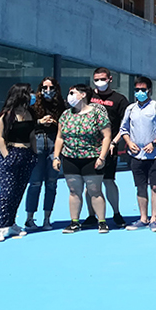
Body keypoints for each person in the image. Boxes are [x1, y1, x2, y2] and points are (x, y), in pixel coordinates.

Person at [53, 84, 112, 235]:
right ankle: (74, 222)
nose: (70, 96)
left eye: (73, 93)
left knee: (94, 190)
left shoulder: (97, 114)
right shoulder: (66, 115)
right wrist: (56, 156)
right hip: (70, 157)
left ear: (83, 95)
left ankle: (102, 221)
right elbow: (60, 137)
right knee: (74, 191)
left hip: (91, 157)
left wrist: (102, 157)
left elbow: (106, 136)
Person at [119, 76, 156, 232]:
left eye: (143, 89)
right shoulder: (130, 109)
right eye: (137, 90)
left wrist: (154, 143)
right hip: (137, 155)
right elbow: (124, 129)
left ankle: (154, 219)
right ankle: (143, 218)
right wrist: (129, 143)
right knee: (140, 187)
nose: (140, 92)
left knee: (155, 186)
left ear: (149, 90)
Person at [0, 83, 38, 242]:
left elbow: (32, 135)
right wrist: (7, 156)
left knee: (19, 191)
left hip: (27, 154)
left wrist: (34, 153)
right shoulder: (7, 114)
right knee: (7, 192)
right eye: (30, 92)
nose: (33, 95)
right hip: (12, 153)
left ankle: (11, 223)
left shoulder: (30, 113)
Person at [89, 67, 130, 228]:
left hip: (109, 148)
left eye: (103, 79)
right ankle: (92, 215)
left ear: (110, 79)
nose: (100, 82)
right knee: (90, 182)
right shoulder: (88, 96)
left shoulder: (119, 99)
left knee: (108, 180)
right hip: (88, 147)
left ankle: (116, 213)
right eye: (97, 79)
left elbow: (125, 124)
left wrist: (114, 142)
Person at [24, 77, 65, 230]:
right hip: (38, 141)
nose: (48, 91)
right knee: (35, 183)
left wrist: (55, 123)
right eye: (45, 87)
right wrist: (40, 122)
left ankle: (47, 218)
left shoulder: (61, 104)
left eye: (51, 87)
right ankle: (29, 218)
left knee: (51, 183)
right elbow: (26, 123)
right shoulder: (34, 104)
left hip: (55, 142)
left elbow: (66, 123)